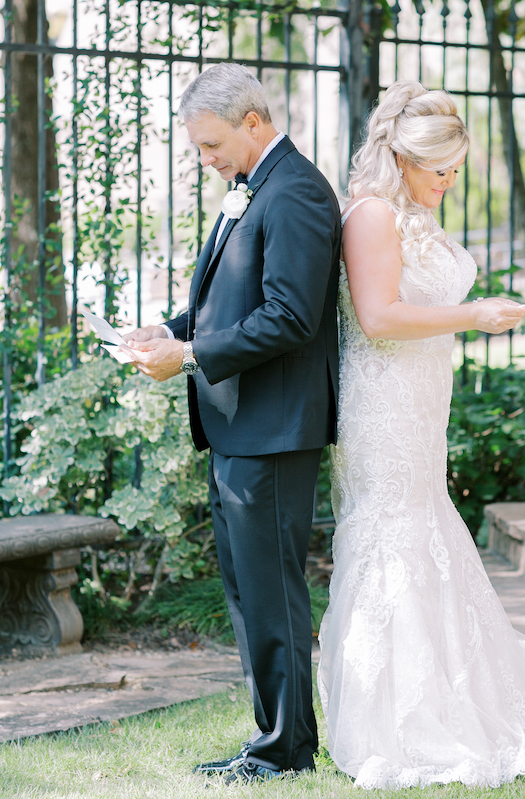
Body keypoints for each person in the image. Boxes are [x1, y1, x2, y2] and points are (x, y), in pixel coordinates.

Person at [317, 80, 525, 789]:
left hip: (419, 398)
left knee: (422, 524)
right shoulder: (373, 215)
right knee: (392, 531)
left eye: (456, 172)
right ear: (406, 160)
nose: (449, 181)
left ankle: (446, 681)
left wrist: (480, 314)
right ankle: (393, 711)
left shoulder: (410, 212)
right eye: (441, 170)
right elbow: (378, 318)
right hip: (382, 405)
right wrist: (472, 314)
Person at [127, 63, 341, 784]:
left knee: (273, 594)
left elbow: (288, 315)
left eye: (211, 146)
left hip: (275, 430)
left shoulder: (300, 193)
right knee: (250, 593)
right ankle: (271, 738)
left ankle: (285, 749)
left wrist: (189, 356)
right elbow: (229, 301)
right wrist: (167, 328)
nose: (207, 161)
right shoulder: (253, 192)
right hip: (238, 428)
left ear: (253, 122)